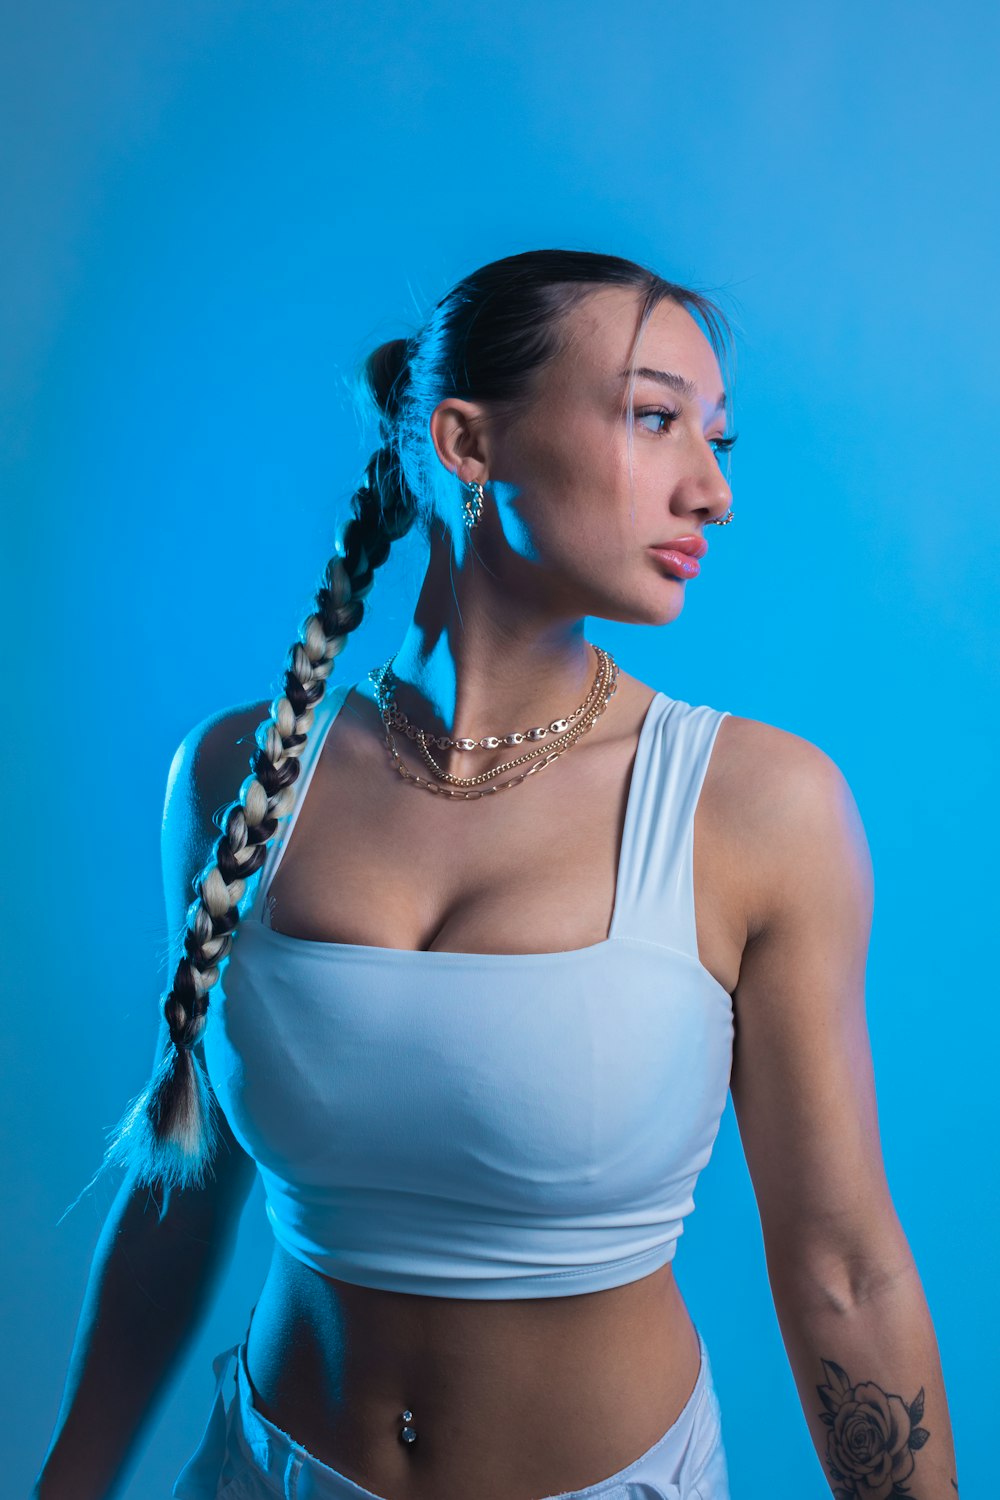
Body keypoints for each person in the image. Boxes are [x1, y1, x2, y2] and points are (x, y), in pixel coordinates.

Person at [34, 249, 958, 1500]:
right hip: (262, 1473)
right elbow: (177, 1191)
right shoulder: (237, 778)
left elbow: (843, 1266)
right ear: (468, 446)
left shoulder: (756, 808)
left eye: (717, 438)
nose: (712, 492)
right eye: (653, 418)